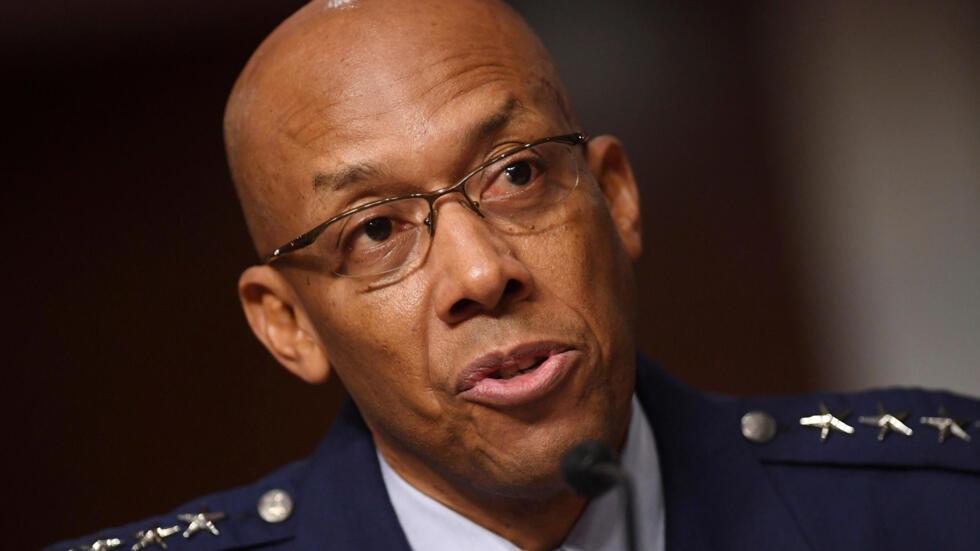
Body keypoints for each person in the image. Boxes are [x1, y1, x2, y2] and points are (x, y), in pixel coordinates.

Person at [49, 1, 979, 550]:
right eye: (374, 229)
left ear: (615, 198)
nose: (481, 272)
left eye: (518, 173)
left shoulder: (940, 503)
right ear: (287, 323)